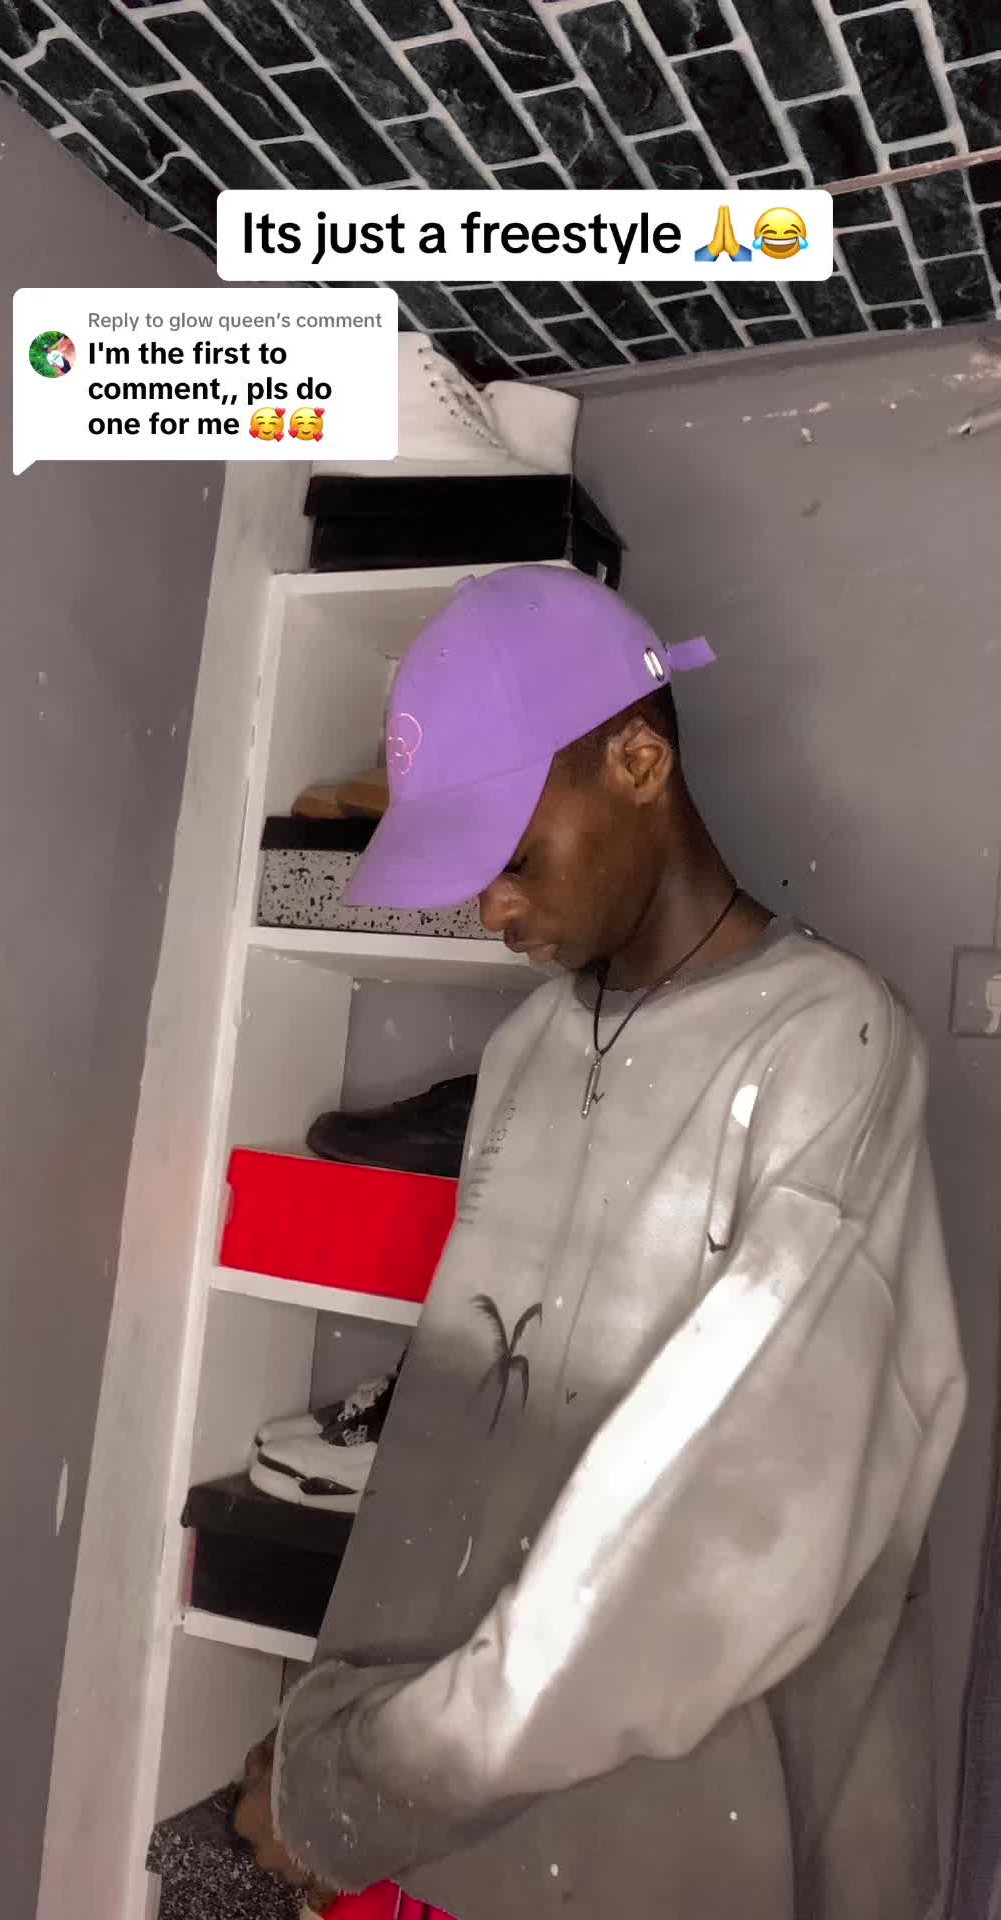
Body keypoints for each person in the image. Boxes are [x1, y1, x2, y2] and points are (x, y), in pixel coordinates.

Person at [235, 565, 967, 1920]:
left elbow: (708, 1540)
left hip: (694, 1825)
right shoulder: (525, 1048)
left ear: (638, 761)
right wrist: (340, 1738)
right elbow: (445, 1449)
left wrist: (354, 1791)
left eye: (512, 860)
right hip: (463, 1819)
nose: (491, 912)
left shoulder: (833, 1047)